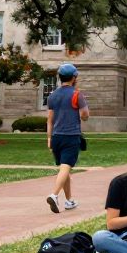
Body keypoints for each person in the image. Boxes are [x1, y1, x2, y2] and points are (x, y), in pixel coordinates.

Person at [45, 62, 89, 213]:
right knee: (66, 167)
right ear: (74, 77)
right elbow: (85, 116)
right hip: (71, 136)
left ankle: (69, 201)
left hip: (56, 136)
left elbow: (49, 120)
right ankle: (54, 195)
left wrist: (49, 138)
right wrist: (82, 113)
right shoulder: (77, 95)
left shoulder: (52, 96)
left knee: (65, 168)